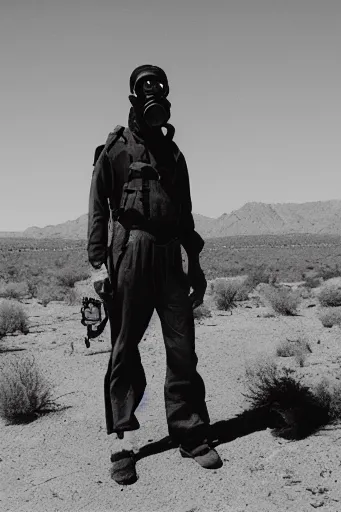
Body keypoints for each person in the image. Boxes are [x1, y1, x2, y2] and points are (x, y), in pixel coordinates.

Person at [87, 64, 221, 486]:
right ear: (133, 98)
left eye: (158, 88)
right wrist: (94, 266)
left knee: (182, 349)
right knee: (124, 349)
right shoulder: (115, 150)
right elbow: (97, 208)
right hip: (130, 253)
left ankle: (191, 433)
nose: (152, 96)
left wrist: (194, 264)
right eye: (144, 89)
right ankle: (124, 442)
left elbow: (185, 214)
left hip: (169, 258)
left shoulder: (174, 155)